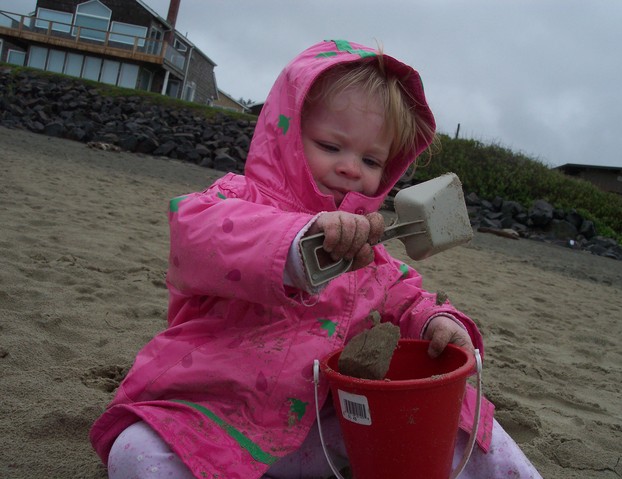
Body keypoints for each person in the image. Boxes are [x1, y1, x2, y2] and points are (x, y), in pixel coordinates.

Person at [90, 39, 541, 479]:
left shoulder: (373, 254)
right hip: (215, 411)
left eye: (370, 159)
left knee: (457, 423)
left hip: (328, 429)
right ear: (287, 133)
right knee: (136, 451)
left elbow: (407, 298)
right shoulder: (234, 199)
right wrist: (297, 241)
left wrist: (437, 322)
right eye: (331, 147)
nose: (350, 168)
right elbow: (197, 241)